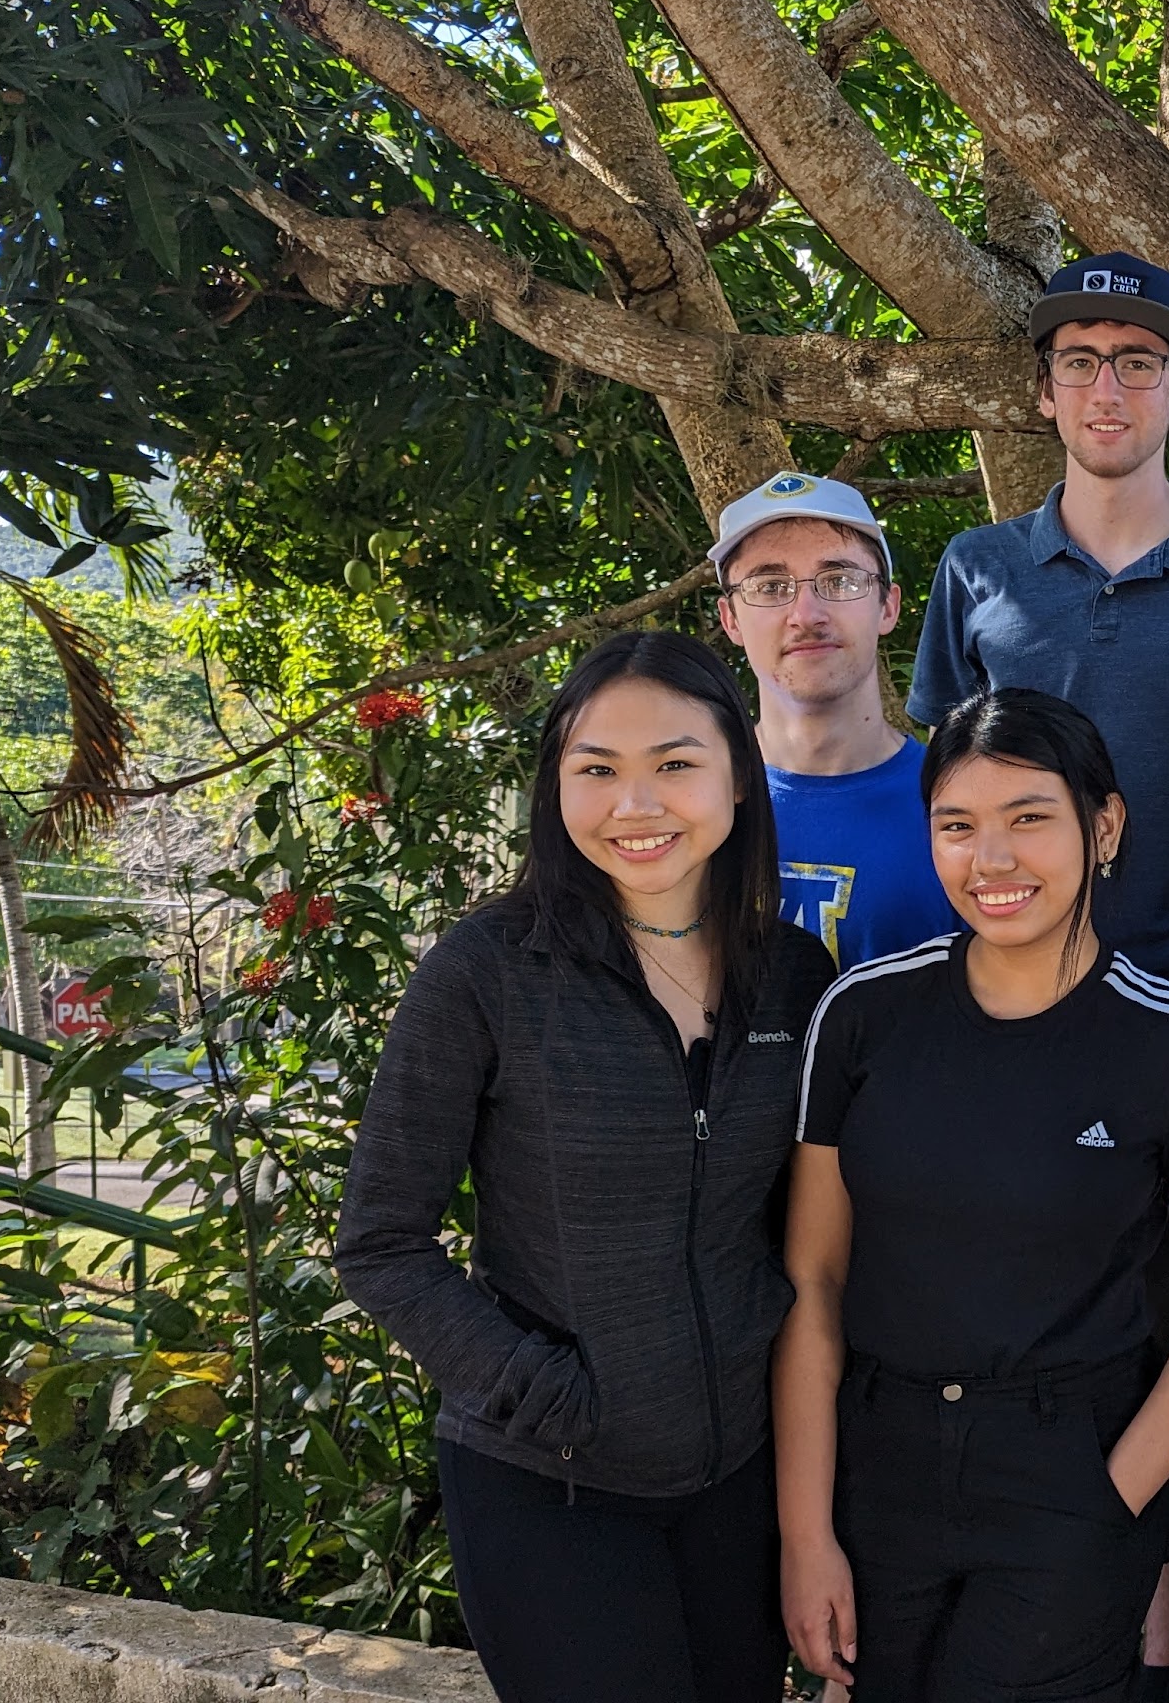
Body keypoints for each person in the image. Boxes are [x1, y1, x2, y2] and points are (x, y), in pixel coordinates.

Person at [339, 631, 837, 1703]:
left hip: (738, 1481)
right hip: (551, 1486)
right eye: (595, 769)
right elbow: (381, 1242)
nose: (635, 802)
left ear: (738, 775)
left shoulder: (793, 974)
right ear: (554, 783)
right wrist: (554, 1394)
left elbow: (798, 1230)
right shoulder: (489, 971)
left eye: (674, 763)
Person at [776, 687, 1169, 1703]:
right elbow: (814, 1280)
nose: (990, 860)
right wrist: (805, 1532)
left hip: (1071, 1465)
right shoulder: (861, 1017)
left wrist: (1111, 1499)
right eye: (956, 826)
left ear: (1105, 825)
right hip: (883, 1465)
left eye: (1029, 818)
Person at [909, 251, 1169, 983]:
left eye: (1137, 363)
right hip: (1021, 981)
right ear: (1046, 391)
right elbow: (950, 785)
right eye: (1078, 362)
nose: (1105, 389)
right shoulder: (975, 566)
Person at [713, 469, 960, 968]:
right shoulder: (690, 800)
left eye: (840, 580)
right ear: (730, 619)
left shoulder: (958, 804)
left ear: (888, 607)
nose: (806, 613)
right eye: (769, 585)